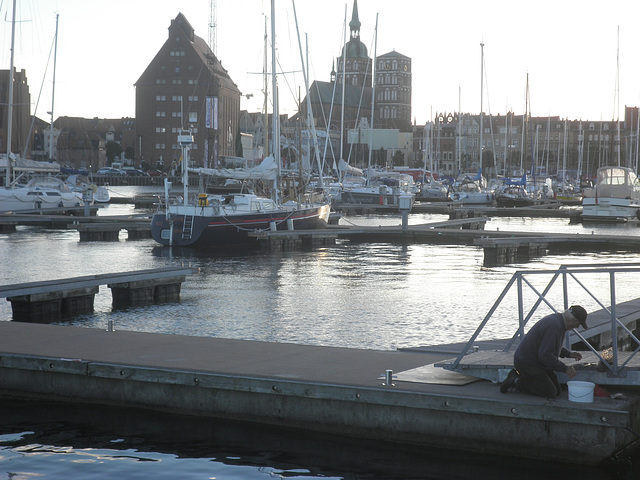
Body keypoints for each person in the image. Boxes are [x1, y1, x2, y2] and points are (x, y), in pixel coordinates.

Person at [500, 305, 588, 398]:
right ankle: (514, 380)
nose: (577, 327)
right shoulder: (554, 326)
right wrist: (565, 368)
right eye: (578, 324)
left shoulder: (558, 321)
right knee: (550, 392)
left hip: (537, 362)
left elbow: (550, 346)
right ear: (574, 321)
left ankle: (524, 379)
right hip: (527, 363)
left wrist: (568, 354)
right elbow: (545, 356)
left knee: (557, 390)